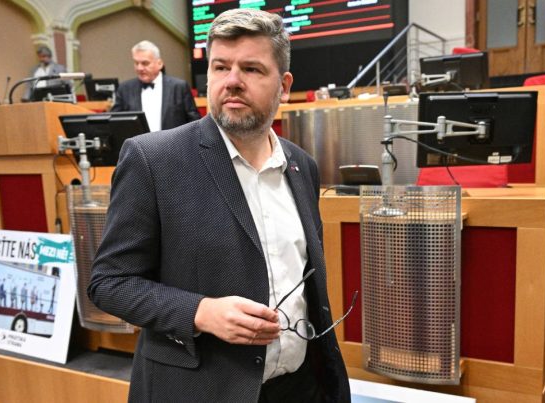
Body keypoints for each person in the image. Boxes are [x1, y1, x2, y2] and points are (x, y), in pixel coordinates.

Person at [89, 8, 350, 402]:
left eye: (252, 69)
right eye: (221, 67)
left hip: (297, 387)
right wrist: (200, 312)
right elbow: (109, 283)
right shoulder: (153, 160)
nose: (232, 81)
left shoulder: (302, 166)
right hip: (201, 390)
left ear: (284, 85)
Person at [111, 40, 201, 131]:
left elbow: (194, 122)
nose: (139, 68)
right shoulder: (125, 89)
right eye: (136, 63)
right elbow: (114, 123)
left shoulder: (179, 87)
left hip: (172, 140)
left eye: (145, 63)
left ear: (159, 63)